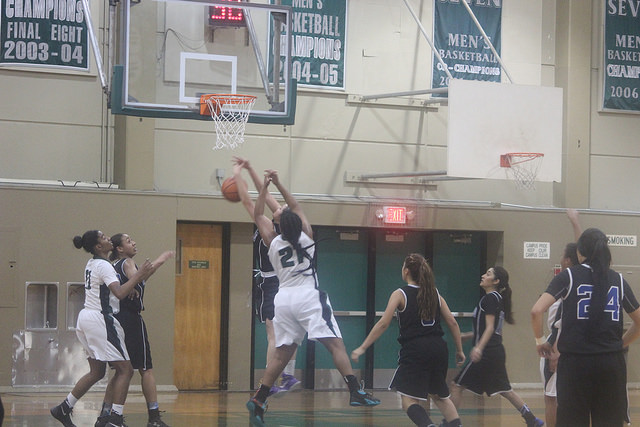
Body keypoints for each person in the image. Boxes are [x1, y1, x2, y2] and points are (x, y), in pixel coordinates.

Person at [247, 170, 380, 427]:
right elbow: (295, 205)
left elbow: (257, 214)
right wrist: (280, 183)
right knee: (335, 345)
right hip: (308, 296)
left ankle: (259, 398)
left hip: (283, 300)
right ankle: (355, 390)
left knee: (281, 355)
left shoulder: (272, 242)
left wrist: (264, 187)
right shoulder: (307, 238)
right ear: (298, 224)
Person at [531, 228, 640, 426]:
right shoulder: (618, 280)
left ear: (580, 253)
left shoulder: (569, 277)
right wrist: (620, 343)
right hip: (610, 364)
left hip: (575, 365)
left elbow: (536, 311)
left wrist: (539, 341)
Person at [51, 230, 153, 427]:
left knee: (97, 372)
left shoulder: (92, 263)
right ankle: (115, 419)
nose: (109, 240)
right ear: (99, 247)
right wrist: (138, 276)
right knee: (126, 370)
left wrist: (130, 285)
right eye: (105, 238)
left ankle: (63, 408)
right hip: (101, 319)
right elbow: (120, 292)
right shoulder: (104, 265)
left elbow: (110, 288)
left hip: (85, 318)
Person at [350, 253, 465, 427]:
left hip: (416, 350)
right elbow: (453, 323)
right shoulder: (435, 293)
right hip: (439, 348)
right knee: (440, 396)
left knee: (409, 401)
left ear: (406, 271)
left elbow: (383, 324)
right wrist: (460, 350)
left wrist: (363, 347)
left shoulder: (400, 294)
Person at [232, 157, 300, 396]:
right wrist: (254, 171)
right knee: (290, 331)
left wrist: (238, 174)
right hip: (290, 283)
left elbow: (250, 201)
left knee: (272, 334)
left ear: (278, 219)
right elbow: (268, 198)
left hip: (272, 282)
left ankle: (268, 381)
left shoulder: (269, 233)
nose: (278, 206)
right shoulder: (292, 232)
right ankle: (289, 373)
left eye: (280, 209)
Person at [93, 234, 175, 427]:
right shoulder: (127, 262)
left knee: (120, 372)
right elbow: (137, 277)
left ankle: (105, 416)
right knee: (146, 369)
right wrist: (158, 262)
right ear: (119, 249)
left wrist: (160, 261)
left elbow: (143, 274)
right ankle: (154, 417)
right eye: (129, 241)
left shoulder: (112, 267)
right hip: (131, 320)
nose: (134, 242)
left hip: (115, 321)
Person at [450, 266, 544, 427]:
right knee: (505, 390)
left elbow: (490, 328)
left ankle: (451, 422)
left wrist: (478, 347)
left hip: (487, 353)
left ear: (496, 281)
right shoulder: (497, 298)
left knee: (456, 385)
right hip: (496, 352)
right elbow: (490, 329)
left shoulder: (490, 299)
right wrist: (469, 335)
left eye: (488, 274)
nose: (483, 275)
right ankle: (532, 419)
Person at [538, 209, 581, 427]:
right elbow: (584, 253)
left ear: (566, 260)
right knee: (565, 400)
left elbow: (537, 312)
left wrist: (551, 347)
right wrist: (575, 222)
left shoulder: (568, 281)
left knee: (552, 399)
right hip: (569, 346)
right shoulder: (582, 280)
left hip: (556, 345)